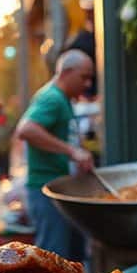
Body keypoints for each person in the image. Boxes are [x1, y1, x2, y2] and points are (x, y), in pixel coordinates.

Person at [15, 50, 94, 261]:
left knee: (69, 260)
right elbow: (26, 130)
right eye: (84, 77)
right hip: (46, 191)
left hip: (58, 189)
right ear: (66, 72)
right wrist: (72, 151)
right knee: (52, 262)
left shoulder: (64, 99)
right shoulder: (52, 98)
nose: (87, 84)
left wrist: (80, 152)